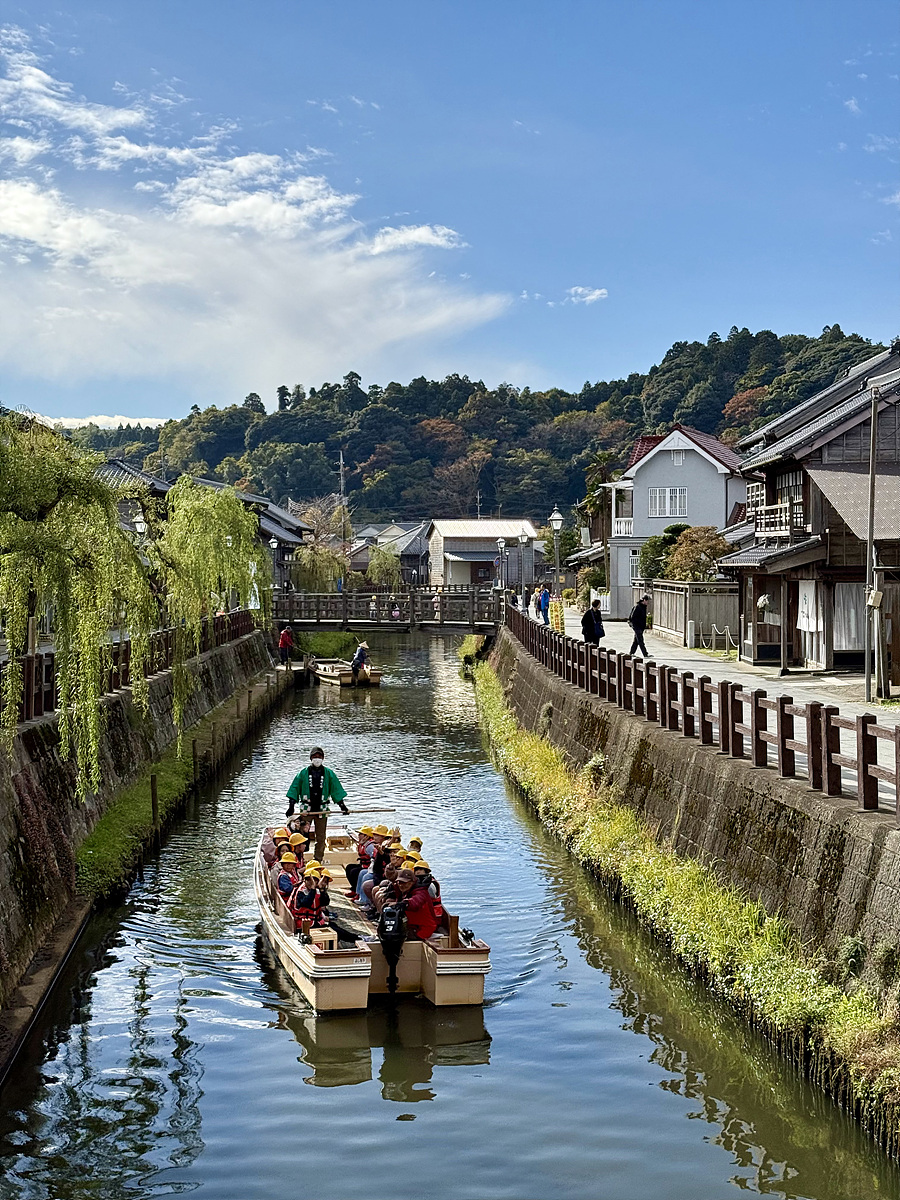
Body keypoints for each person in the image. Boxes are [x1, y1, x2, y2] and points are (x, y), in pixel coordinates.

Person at [285, 748, 350, 860]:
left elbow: (336, 789)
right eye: (315, 756)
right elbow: (294, 788)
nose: (317, 759)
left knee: (320, 837)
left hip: (322, 809)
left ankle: (318, 859)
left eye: (319, 757)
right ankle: (300, 858)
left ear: (323, 758)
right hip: (306, 808)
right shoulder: (303, 773)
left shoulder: (329, 774)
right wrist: (291, 806)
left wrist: (342, 806)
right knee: (302, 834)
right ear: (311, 758)